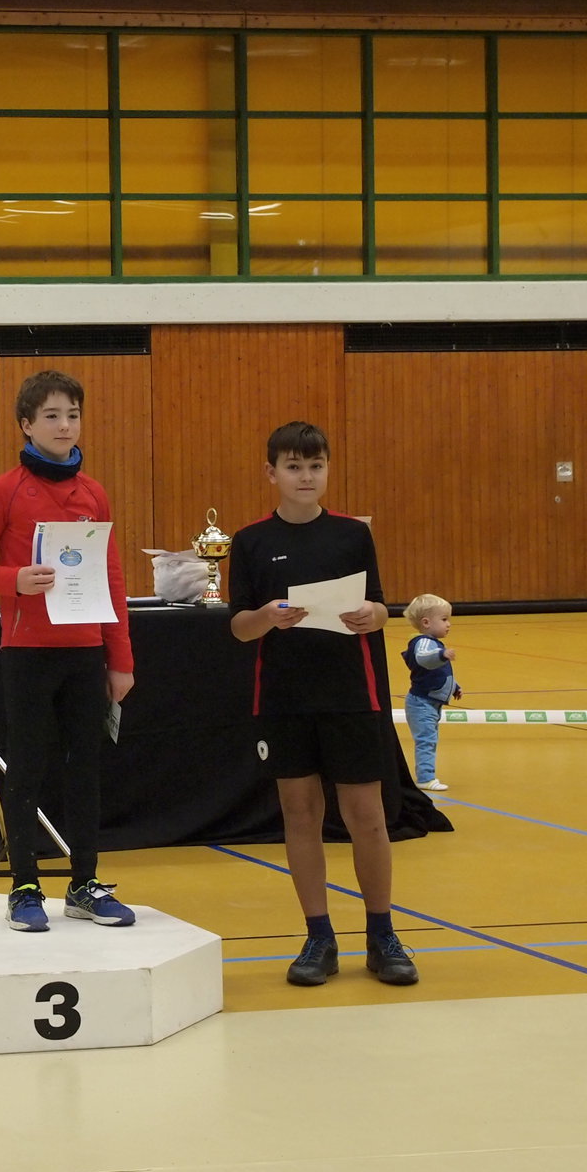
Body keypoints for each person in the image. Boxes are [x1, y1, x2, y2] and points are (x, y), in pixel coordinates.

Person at [227, 421, 418, 988]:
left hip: (351, 695)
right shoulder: (251, 541)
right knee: (301, 814)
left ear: (328, 469)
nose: (305, 477)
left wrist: (373, 616)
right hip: (285, 698)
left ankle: (382, 935)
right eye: (294, 467)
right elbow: (239, 627)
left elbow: (380, 607)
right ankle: (318, 937)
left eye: (315, 466)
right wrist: (269, 616)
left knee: (367, 816)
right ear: (271, 473)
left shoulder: (352, 535)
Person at [0, 369, 135, 932]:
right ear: (26, 425)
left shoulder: (93, 492)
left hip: (85, 651)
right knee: (28, 768)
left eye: (72, 415)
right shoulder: (7, 489)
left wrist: (120, 660)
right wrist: (13, 580)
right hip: (28, 652)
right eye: (51, 416)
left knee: (86, 771)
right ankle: (24, 885)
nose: (64, 425)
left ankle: (84, 884)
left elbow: (111, 578)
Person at [401, 593, 461, 792]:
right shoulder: (424, 643)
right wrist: (441, 654)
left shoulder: (433, 643)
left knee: (429, 739)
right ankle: (425, 778)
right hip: (421, 703)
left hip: (430, 702)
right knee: (426, 741)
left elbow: (438, 673)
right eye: (444, 619)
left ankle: (426, 776)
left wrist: (454, 686)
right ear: (426, 622)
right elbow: (424, 659)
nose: (448, 624)